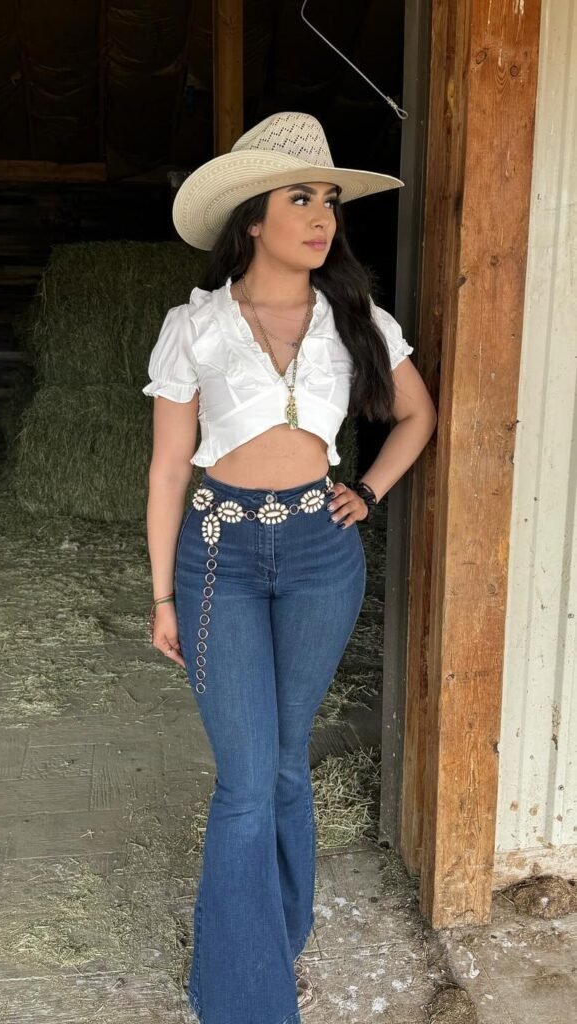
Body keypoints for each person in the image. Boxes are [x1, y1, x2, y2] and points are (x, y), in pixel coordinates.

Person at [142, 111, 437, 1024]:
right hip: (220, 554)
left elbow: (418, 418)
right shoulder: (195, 327)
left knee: (283, 767)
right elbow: (165, 466)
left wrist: (371, 490)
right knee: (242, 780)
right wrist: (159, 593)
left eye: (330, 202)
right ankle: (245, 1001)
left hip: (320, 552)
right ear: (252, 221)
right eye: (300, 198)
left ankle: (279, 933)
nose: (322, 218)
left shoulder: (359, 319)